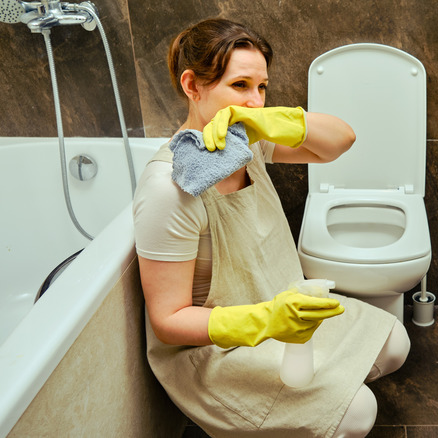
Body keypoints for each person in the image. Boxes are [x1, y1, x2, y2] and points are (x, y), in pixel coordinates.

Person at [132, 18, 410, 438]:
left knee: (396, 343)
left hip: (281, 309)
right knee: (359, 413)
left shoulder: (249, 142)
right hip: (216, 351)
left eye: (262, 88)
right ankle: (308, 410)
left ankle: (306, 407)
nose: (256, 101)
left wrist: (279, 121)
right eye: (240, 86)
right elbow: (167, 320)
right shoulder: (168, 188)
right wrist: (264, 321)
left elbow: (341, 141)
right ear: (193, 86)